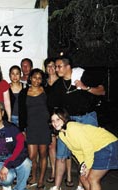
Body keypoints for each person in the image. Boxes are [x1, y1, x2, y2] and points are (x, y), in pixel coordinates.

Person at [48, 55, 106, 190]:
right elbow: (53, 106)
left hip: (87, 118)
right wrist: (56, 126)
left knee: (89, 152)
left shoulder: (83, 75)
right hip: (68, 121)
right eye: (55, 67)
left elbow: (102, 91)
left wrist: (85, 87)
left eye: (59, 66)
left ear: (68, 67)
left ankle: (81, 185)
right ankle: (56, 186)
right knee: (61, 154)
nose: (56, 69)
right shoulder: (58, 85)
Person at [50, 107, 118, 190]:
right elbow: (76, 152)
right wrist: (83, 165)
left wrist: (88, 167)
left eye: (58, 119)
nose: (55, 123)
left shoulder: (72, 127)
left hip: (107, 145)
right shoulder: (61, 134)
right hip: (96, 149)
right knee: (83, 178)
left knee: (92, 178)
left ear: (64, 118)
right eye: (53, 120)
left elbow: (87, 148)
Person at [19, 68, 50, 189]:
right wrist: (22, 129)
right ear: (30, 78)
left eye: (39, 78)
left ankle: (41, 180)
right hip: (31, 127)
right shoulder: (24, 92)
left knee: (43, 154)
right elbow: (22, 112)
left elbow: (51, 108)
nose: (36, 80)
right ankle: (34, 177)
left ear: (42, 80)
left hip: (44, 126)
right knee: (32, 156)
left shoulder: (46, 91)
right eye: (34, 77)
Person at [43, 57, 58, 184]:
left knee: (64, 147)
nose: (51, 68)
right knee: (51, 146)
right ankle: (53, 172)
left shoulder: (62, 81)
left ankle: (64, 173)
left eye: (53, 66)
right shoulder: (44, 83)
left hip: (61, 118)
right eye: (48, 66)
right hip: (48, 118)